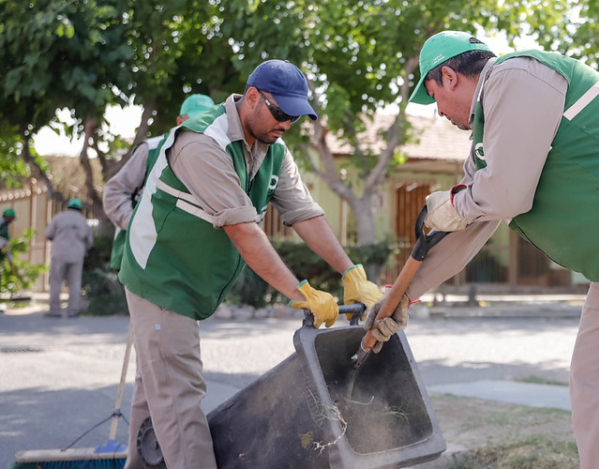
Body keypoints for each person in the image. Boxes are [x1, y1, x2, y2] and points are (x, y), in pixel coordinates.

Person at [374, 30, 599, 469]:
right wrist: (402, 297)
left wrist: (454, 205)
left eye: (433, 95)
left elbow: (503, 196)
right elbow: (475, 220)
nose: (437, 111)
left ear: (450, 76)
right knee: (597, 391)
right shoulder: (489, 140)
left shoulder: (517, 76)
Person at [117, 59, 382, 469]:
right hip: (161, 276)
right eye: (280, 112)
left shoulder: (273, 148)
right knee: (178, 393)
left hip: (196, 277)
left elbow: (304, 213)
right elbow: (243, 231)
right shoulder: (202, 142)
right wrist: (300, 293)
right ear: (252, 98)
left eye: (294, 116)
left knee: (154, 385)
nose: (286, 124)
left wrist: (351, 271)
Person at [103, 93, 215, 270]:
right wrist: (136, 224)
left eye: (207, 123)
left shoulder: (215, 159)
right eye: (195, 122)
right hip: (140, 258)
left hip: (182, 263)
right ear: (180, 122)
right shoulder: (152, 149)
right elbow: (114, 192)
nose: (201, 130)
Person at [44, 198, 94, 318]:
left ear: (68, 207)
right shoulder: (83, 221)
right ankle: (73, 310)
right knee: (75, 283)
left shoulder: (59, 217)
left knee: (56, 281)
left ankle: (55, 310)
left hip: (59, 253)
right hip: (77, 255)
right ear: (80, 209)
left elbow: (49, 234)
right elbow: (90, 241)